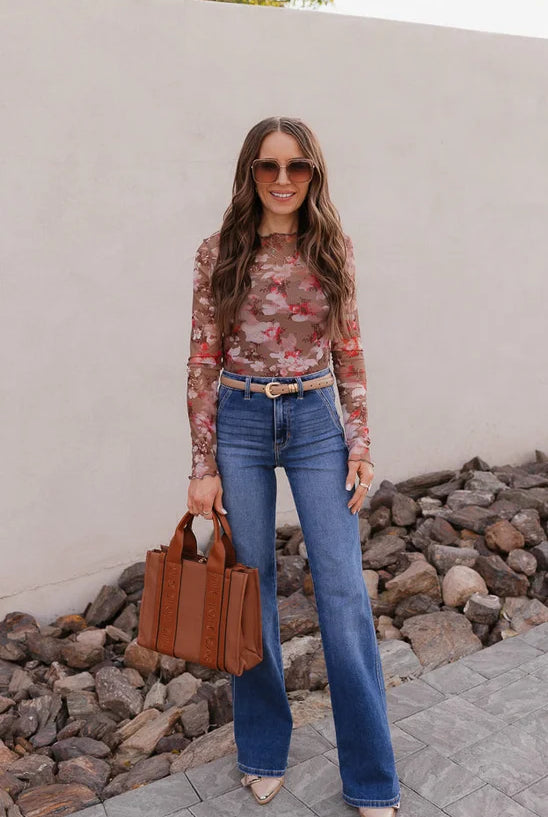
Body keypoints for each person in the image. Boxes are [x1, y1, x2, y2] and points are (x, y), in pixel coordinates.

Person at [185, 116, 401, 816]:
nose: (282, 180)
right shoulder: (217, 252)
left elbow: (351, 351)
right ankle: (262, 749)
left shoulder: (331, 248)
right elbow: (202, 359)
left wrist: (360, 441)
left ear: (315, 173)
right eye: (268, 167)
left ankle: (372, 777)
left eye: (297, 166)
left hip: (315, 423)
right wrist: (202, 464)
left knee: (342, 595)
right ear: (249, 173)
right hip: (241, 422)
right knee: (252, 592)